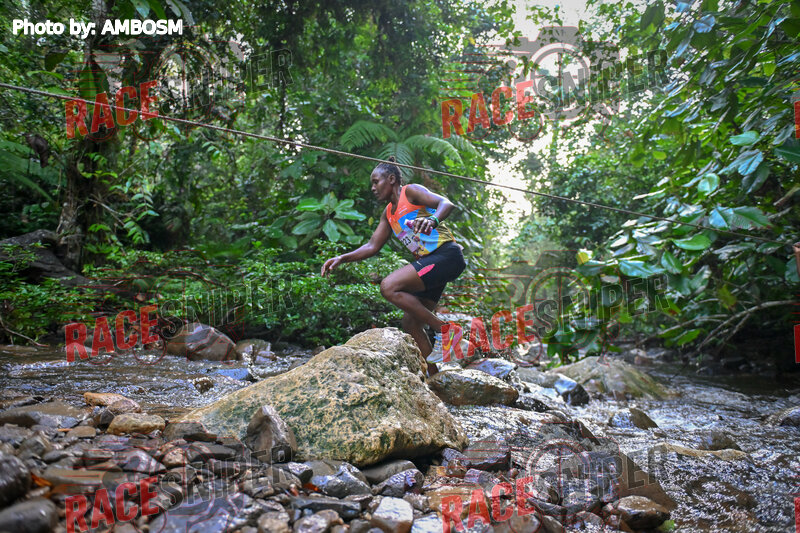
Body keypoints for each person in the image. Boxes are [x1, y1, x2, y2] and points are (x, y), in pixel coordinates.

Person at [320, 156, 466, 376]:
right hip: (431, 265)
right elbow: (372, 246)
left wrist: (433, 220)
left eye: (376, 182)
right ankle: (435, 378)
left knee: (389, 286)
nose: (373, 188)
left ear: (391, 179)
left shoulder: (411, 192)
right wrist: (342, 258)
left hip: (446, 255)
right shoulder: (388, 214)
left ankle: (445, 330)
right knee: (411, 323)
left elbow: (446, 203)